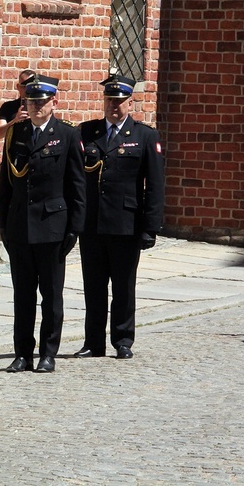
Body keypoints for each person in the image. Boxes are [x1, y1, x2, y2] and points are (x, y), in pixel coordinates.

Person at [0, 74, 86, 373]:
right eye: (31, 102)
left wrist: (74, 228)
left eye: (41, 102)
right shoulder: (16, 133)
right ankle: (22, 353)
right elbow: (5, 185)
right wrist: (3, 226)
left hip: (52, 226)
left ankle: (48, 352)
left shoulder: (68, 134)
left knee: (51, 296)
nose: (35, 107)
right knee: (22, 296)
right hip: (20, 226)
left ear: (54, 102)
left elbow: (77, 186)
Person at [73, 75, 165, 360]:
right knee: (94, 286)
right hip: (92, 224)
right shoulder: (86, 132)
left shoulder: (144, 136)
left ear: (130, 102)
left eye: (120, 101)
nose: (115, 106)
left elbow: (156, 185)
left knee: (124, 286)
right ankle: (93, 342)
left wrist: (150, 227)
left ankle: (123, 340)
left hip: (127, 223)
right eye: (110, 100)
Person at [0, 70, 36, 139]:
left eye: (31, 86)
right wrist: (15, 120)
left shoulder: (41, 106)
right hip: (14, 148)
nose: (28, 90)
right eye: (25, 86)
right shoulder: (8, 107)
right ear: (18, 87)